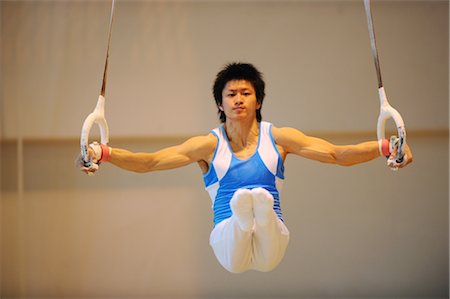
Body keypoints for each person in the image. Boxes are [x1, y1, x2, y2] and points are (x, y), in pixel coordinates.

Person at [79, 62, 413, 273]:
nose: (238, 99)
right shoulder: (207, 146)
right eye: (231, 94)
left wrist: (387, 147)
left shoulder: (280, 138)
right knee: (235, 255)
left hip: (273, 233)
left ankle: (259, 211)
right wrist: (103, 152)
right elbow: (149, 162)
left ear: (259, 101)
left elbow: (338, 154)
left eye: (246, 92)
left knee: (268, 256)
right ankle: (245, 214)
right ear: (220, 104)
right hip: (226, 234)